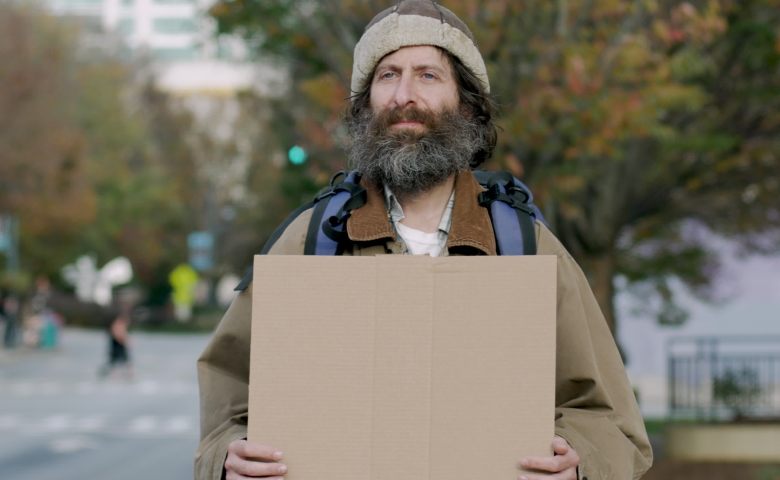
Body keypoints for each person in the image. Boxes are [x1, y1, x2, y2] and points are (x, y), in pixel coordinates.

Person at [195, 2, 653, 479]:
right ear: (364, 104)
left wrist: (579, 464)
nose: (403, 96)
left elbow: (611, 423)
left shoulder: (525, 247)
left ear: (468, 105)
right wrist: (226, 455)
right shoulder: (312, 240)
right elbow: (230, 391)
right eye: (387, 76)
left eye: (428, 76)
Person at [99, 311, 133, 379]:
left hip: (120, 347)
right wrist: (124, 341)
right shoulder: (117, 324)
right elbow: (117, 335)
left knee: (124, 361)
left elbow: (124, 335)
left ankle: (127, 374)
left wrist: (127, 340)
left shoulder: (121, 325)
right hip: (116, 347)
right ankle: (111, 374)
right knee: (114, 362)